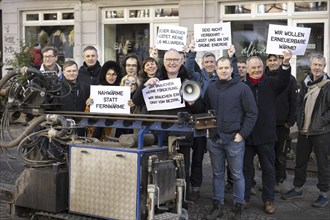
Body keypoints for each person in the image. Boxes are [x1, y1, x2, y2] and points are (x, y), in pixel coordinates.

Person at [132, 48, 204, 200]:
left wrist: (192, 103)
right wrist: (144, 85)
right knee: (156, 172)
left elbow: (200, 108)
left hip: (181, 137)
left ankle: (182, 204)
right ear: (163, 62)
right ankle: (156, 204)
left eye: (175, 60)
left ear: (182, 61)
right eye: (169, 60)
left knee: (182, 173)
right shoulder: (155, 80)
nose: (172, 63)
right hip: (158, 137)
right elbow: (137, 101)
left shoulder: (189, 81)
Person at [204, 56, 258, 220]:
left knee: (237, 175)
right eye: (220, 68)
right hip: (215, 139)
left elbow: (252, 113)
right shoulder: (211, 88)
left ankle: (237, 207)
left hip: (234, 139)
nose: (223, 70)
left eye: (226, 68)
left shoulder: (242, 88)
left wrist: (242, 134)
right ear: (216, 69)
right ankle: (217, 206)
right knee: (217, 174)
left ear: (231, 69)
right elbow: (205, 110)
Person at [242, 50, 292, 214]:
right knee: (246, 169)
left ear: (263, 68)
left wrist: (285, 63)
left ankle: (269, 200)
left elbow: (284, 81)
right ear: (247, 70)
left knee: (268, 169)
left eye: (258, 67)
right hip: (247, 135)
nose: (256, 70)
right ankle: (244, 197)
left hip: (266, 135)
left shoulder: (271, 83)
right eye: (253, 68)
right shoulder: (242, 86)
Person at [282, 54, 330, 208]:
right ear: (310, 65)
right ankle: (298, 188)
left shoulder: (328, 85)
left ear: (324, 67)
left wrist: (321, 121)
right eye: (315, 64)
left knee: (322, 163)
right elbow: (298, 103)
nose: (317, 67)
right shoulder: (305, 82)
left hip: (320, 131)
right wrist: (297, 118)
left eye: (320, 65)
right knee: (300, 162)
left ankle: (323, 194)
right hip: (304, 130)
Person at [265, 54, 298, 193]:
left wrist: (290, 121)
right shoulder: (263, 78)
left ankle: (279, 181)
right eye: (270, 60)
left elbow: (294, 101)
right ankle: (269, 182)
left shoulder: (289, 79)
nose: (273, 63)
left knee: (280, 155)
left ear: (280, 61)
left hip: (282, 125)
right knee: (267, 155)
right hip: (266, 125)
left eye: (275, 60)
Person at [85, 60, 123, 140]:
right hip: (96, 128)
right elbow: (87, 112)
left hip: (115, 128)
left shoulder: (122, 90)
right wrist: (88, 104)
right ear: (104, 75)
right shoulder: (98, 89)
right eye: (108, 74)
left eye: (114, 74)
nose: (111, 77)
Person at [54, 60, 90, 136]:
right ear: (63, 72)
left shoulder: (86, 88)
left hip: (80, 128)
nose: (72, 73)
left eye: (74, 71)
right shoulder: (56, 88)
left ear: (77, 72)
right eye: (69, 71)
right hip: (61, 128)